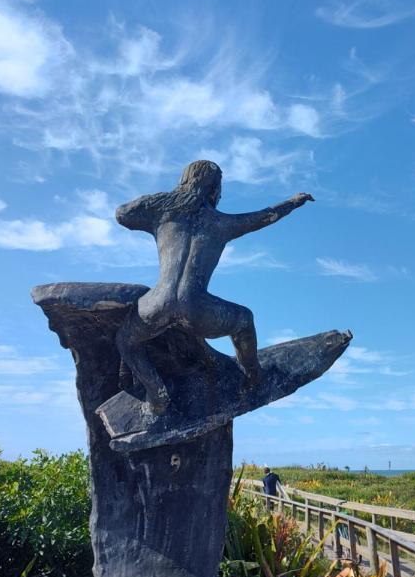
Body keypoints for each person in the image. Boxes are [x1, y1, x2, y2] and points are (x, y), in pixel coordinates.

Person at [115, 159, 314, 410]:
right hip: (198, 310)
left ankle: (156, 392)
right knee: (244, 319)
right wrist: (293, 202)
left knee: (125, 340)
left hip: (156, 305)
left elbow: (122, 213)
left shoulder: (163, 213)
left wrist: (159, 200)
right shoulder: (222, 223)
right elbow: (265, 216)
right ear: (213, 189)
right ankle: (253, 375)